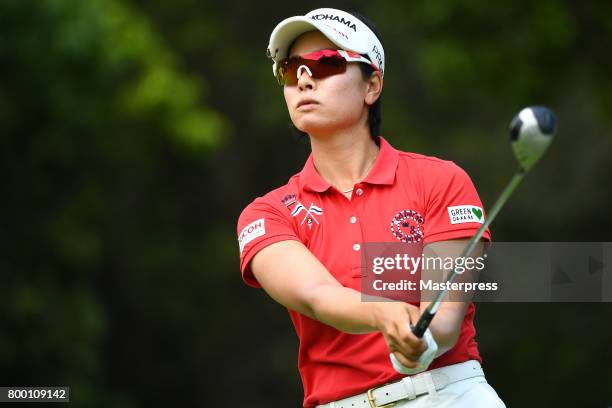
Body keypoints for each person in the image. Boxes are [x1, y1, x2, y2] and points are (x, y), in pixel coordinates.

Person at [237, 8, 506, 408]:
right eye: (291, 69)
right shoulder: (267, 213)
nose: (304, 79)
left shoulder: (441, 181)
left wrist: (421, 340)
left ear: (372, 86)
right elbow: (316, 294)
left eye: (326, 63)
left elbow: (445, 317)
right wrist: (383, 314)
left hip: (450, 394)